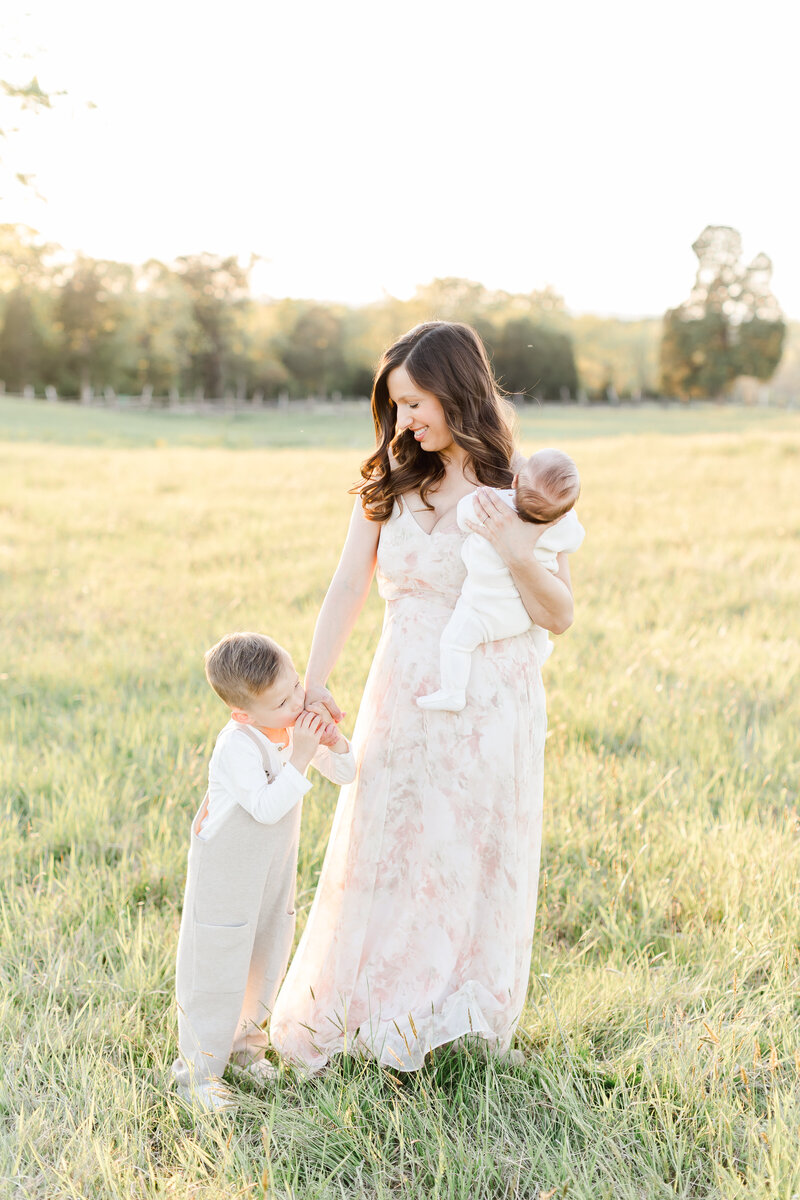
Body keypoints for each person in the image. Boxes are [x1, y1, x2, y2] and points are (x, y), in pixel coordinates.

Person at [269, 321, 576, 1073]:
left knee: (465, 855)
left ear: (456, 390)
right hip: (403, 688)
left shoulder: (522, 490)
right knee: (389, 848)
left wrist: (513, 549)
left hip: (489, 699)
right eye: (397, 406)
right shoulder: (391, 482)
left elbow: (559, 613)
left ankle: (449, 1017)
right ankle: (373, 1010)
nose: (404, 421)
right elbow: (347, 586)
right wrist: (315, 683)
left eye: (415, 403)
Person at [172, 631, 355, 1110]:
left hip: (271, 868)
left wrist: (333, 744)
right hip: (227, 872)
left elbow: (346, 774)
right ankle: (197, 1073)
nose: (297, 702)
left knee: (267, 951)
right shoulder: (238, 745)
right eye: (282, 701)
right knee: (219, 962)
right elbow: (266, 807)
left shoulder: (290, 724)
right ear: (243, 714)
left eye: (297, 686)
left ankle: (245, 1051)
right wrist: (300, 753)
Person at [417, 448, 584, 712]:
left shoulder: (495, 504)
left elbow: (464, 515)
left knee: (456, 641)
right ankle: (540, 652)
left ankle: (453, 692)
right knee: (535, 625)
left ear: (515, 480)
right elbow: (575, 538)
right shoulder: (562, 524)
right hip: (523, 615)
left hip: (485, 611)